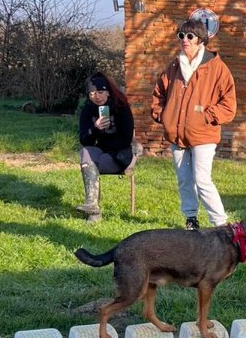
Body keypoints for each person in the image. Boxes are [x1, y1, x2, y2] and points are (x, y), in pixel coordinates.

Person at [151, 13, 236, 230]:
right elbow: (158, 95)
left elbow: (229, 105)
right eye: (182, 35)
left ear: (200, 40)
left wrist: (206, 116)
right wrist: (164, 115)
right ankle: (191, 218)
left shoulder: (217, 68)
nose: (185, 39)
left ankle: (221, 223)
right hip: (176, 134)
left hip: (203, 134)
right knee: (184, 180)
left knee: (202, 180)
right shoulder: (174, 67)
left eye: (190, 36)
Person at [77, 72, 136, 223]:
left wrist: (105, 143)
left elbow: (126, 139)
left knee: (92, 161)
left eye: (101, 92)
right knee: (86, 152)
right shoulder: (88, 110)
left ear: (108, 92)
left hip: (119, 155)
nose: (97, 97)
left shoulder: (121, 107)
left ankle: (94, 212)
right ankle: (92, 204)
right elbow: (84, 140)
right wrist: (96, 129)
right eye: (92, 93)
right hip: (100, 154)